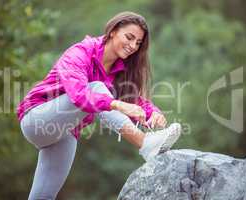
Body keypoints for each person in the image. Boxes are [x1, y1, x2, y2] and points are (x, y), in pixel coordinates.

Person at [17, 11, 182, 200]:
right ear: (113, 31)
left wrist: (154, 112)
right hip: (36, 118)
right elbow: (79, 95)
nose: (132, 46)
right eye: (129, 37)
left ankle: (148, 142)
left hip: (66, 132)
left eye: (138, 43)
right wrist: (117, 104)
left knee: (43, 196)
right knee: (97, 87)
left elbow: (135, 98)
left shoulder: (122, 68)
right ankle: (145, 143)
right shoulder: (80, 52)